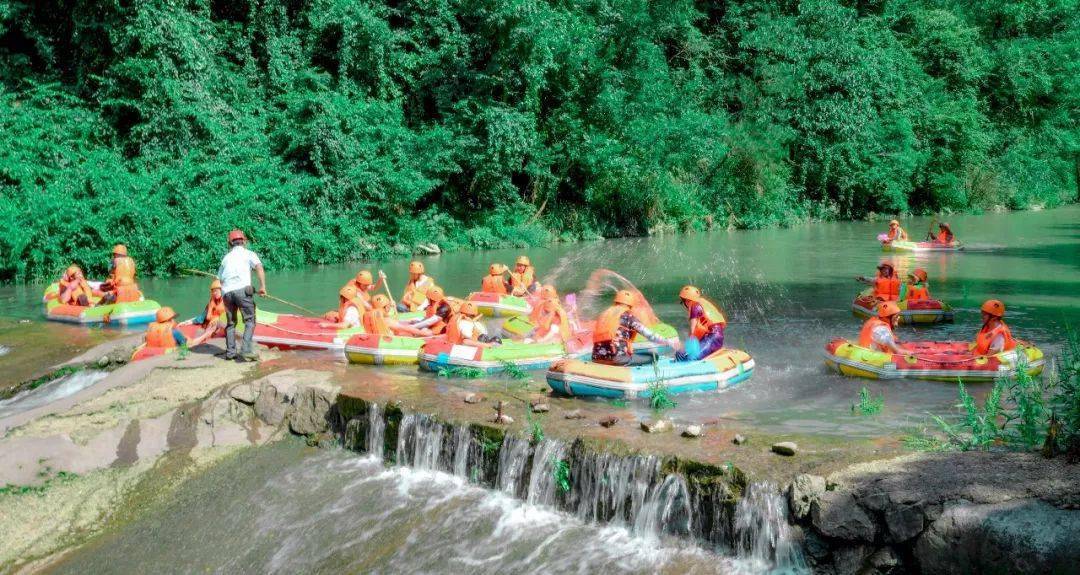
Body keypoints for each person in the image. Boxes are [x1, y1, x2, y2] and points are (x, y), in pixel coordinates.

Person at [217, 229, 267, 361]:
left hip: (226, 293)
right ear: (244, 241)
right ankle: (245, 350)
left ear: (230, 243)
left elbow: (220, 279)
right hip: (243, 292)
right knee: (250, 321)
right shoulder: (249, 253)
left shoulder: (226, 258)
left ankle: (230, 353)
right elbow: (259, 268)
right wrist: (262, 287)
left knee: (231, 323)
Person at [592, 290, 679, 366]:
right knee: (653, 356)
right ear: (630, 305)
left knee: (632, 352)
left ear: (616, 302)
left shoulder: (603, 315)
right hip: (617, 359)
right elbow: (650, 336)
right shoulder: (628, 316)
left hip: (597, 358)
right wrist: (670, 342)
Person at [675, 285, 727, 361]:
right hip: (715, 337)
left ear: (686, 300)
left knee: (688, 357)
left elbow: (694, 323)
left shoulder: (694, 305)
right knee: (680, 354)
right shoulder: (702, 303)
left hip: (712, 338)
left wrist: (692, 335)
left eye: (683, 301)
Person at [364, 295, 432, 337]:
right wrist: (422, 333)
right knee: (418, 331)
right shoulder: (387, 321)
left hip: (378, 340)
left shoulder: (378, 318)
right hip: (391, 342)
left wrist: (408, 321)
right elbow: (406, 329)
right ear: (386, 307)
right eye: (389, 305)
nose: (390, 307)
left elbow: (395, 323)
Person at [186, 279, 227, 347]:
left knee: (216, 323)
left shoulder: (227, 301)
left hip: (223, 325)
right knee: (209, 326)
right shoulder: (212, 302)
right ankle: (202, 339)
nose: (214, 293)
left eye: (216, 291)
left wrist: (218, 319)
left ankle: (196, 341)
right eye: (213, 291)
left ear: (221, 290)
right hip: (212, 325)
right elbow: (203, 316)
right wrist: (189, 321)